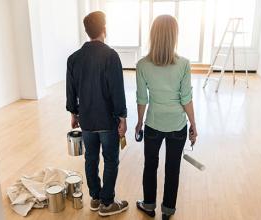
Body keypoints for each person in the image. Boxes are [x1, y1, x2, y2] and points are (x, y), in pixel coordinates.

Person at [66, 11, 128, 217]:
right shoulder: (111, 56)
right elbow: (117, 91)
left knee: (90, 159)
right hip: (108, 121)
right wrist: (123, 118)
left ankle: (95, 198)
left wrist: (74, 114)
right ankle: (107, 203)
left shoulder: (73, 59)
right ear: (104, 29)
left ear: (86, 31)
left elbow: (71, 91)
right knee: (110, 160)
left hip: (87, 120)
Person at [135, 15, 198, 220]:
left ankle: (149, 205)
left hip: (153, 124)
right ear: (174, 36)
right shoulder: (184, 64)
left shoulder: (142, 64)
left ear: (153, 36)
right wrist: (193, 124)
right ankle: (168, 211)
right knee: (173, 169)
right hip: (177, 126)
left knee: (150, 166)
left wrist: (138, 122)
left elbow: (142, 98)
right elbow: (186, 98)